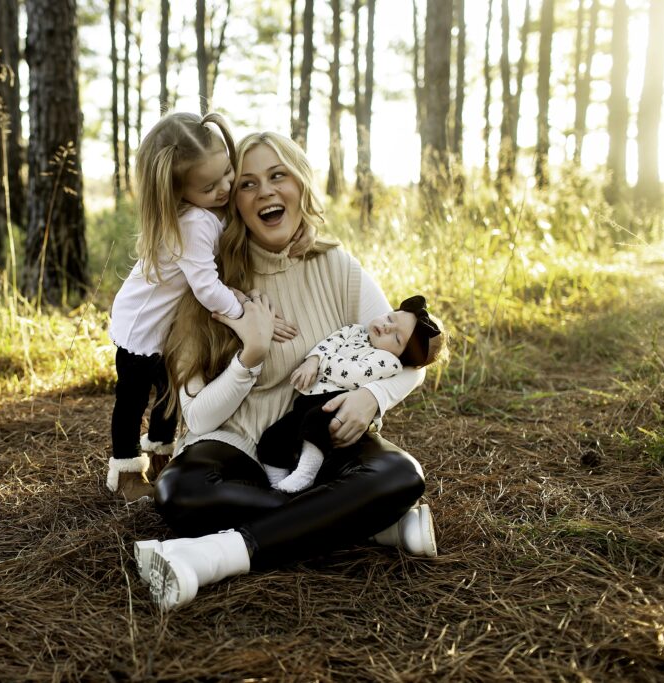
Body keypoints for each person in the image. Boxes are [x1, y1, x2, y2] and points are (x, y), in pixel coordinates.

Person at [131, 131, 438, 610]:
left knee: (400, 475)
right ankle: (370, 523)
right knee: (179, 491)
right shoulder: (206, 277)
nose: (266, 192)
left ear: (300, 184)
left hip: (318, 436)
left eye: (278, 176)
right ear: (233, 200)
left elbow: (410, 363)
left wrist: (371, 398)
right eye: (248, 184)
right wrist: (248, 356)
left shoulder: (337, 265)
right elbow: (201, 418)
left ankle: (212, 556)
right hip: (232, 443)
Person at [107, 112, 299, 503]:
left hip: (165, 328)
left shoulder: (205, 214)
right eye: (209, 186)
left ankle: (160, 453)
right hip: (140, 329)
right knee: (132, 400)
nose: (226, 187)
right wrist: (248, 314)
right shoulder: (195, 223)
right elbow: (208, 289)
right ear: (178, 193)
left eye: (228, 173)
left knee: (169, 395)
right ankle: (125, 470)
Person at [259, 295, 446, 493]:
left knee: (316, 423)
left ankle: (306, 472)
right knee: (274, 437)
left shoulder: (387, 362)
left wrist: (322, 362)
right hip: (308, 400)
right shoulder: (355, 330)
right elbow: (329, 343)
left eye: (397, 338)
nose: (387, 327)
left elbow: (351, 375)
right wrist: (312, 360)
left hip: (338, 405)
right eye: (391, 318)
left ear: (401, 356)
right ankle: (276, 486)